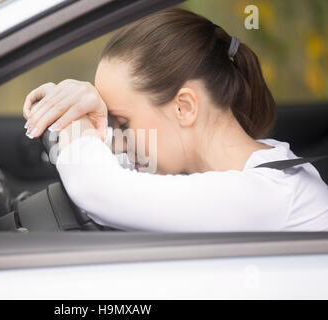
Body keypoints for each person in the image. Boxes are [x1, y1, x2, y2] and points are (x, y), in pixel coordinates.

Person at [21, 8, 328, 231]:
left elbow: (101, 193)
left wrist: (75, 121)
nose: (114, 139)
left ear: (184, 107)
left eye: (123, 123)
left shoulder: (269, 194)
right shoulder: (262, 166)